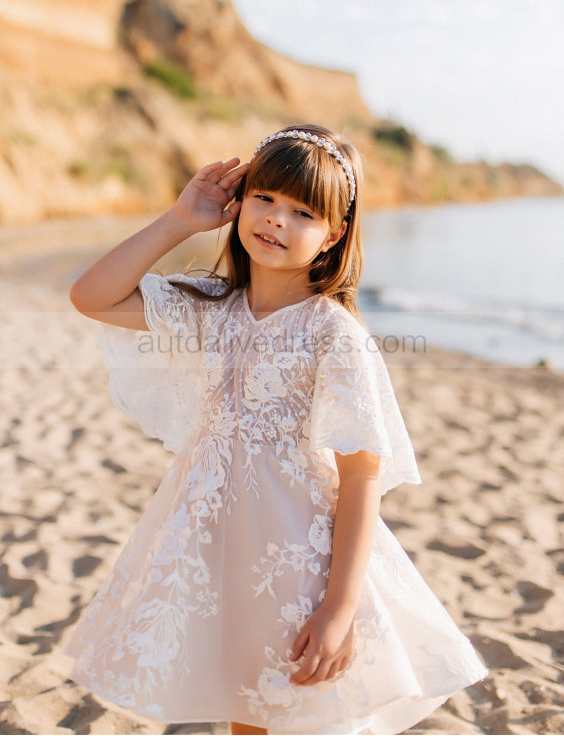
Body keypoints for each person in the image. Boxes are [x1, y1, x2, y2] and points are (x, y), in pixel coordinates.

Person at [65, 124, 486, 735]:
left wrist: (339, 609)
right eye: (264, 198)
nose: (275, 220)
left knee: (291, 713)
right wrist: (181, 219)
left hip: (297, 558)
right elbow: (91, 295)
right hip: (213, 548)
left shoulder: (332, 336)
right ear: (240, 201)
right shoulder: (210, 309)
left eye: (302, 211)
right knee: (245, 714)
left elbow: (362, 475)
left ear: (333, 234)